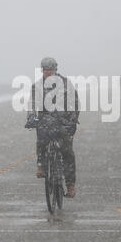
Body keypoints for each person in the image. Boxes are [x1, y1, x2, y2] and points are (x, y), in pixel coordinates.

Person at [25, 57, 80, 198]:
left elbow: (75, 102)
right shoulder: (36, 86)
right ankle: (41, 165)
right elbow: (31, 104)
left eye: (50, 69)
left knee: (67, 152)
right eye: (45, 70)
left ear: (56, 69)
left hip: (63, 120)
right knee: (41, 141)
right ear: (42, 71)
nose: (48, 72)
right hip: (45, 120)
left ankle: (70, 185)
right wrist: (31, 117)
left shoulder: (66, 84)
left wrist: (73, 118)